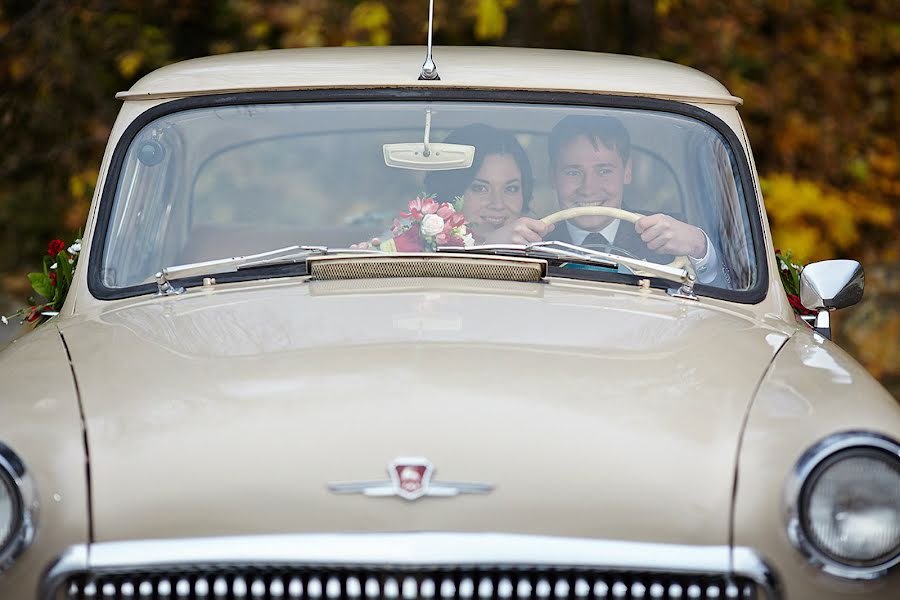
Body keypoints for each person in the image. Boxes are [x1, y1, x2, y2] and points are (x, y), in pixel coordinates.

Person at [494, 115, 724, 284]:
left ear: (627, 171)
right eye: (573, 172)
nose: (588, 188)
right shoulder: (531, 243)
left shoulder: (667, 236)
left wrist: (700, 246)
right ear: (552, 176)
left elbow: (726, 288)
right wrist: (494, 248)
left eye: (604, 171)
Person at [424, 123, 533, 243]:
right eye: (480, 188)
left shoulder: (547, 256)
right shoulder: (413, 254)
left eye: (511, 189)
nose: (498, 204)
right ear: (450, 190)